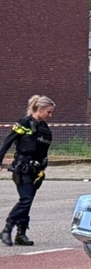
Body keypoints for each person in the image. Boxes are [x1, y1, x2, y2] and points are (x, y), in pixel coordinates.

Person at [0, 96, 55, 246]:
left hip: (36, 172)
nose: (50, 115)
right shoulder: (24, 123)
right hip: (22, 169)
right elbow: (8, 141)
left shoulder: (45, 128)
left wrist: (43, 167)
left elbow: (43, 151)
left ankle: (21, 234)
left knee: (27, 202)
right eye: (48, 112)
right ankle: (7, 228)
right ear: (40, 109)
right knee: (26, 199)